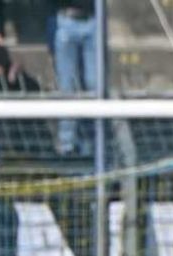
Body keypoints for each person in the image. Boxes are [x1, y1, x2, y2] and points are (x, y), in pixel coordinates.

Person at [51, 0, 95, 156]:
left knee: (94, 84)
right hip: (66, 19)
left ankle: (94, 141)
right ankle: (66, 143)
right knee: (67, 86)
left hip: (92, 20)